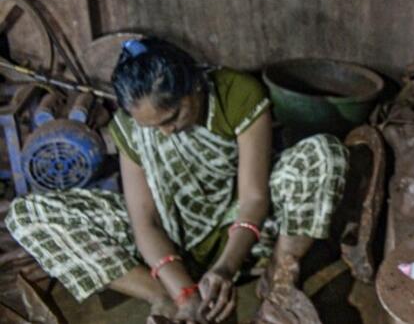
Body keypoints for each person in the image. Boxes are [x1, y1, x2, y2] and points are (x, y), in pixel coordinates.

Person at [6, 37, 348, 323]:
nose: (166, 133)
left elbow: (253, 198)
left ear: (194, 87)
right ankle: (165, 297)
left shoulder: (236, 93)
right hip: (171, 240)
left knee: (324, 153)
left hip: (246, 234)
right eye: (153, 127)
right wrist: (185, 294)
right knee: (26, 215)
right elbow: (145, 222)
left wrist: (226, 268)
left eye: (171, 118)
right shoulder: (130, 128)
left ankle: (280, 284)